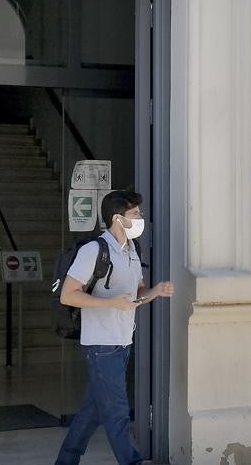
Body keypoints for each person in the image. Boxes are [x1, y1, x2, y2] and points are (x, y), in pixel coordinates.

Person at [55, 190, 173, 465]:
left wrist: (155, 291)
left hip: (122, 343)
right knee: (118, 412)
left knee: (92, 411)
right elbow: (68, 295)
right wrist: (111, 304)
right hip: (101, 345)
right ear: (118, 219)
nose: (140, 218)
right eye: (135, 214)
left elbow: (134, 296)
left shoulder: (132, 250)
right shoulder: (94, 250)